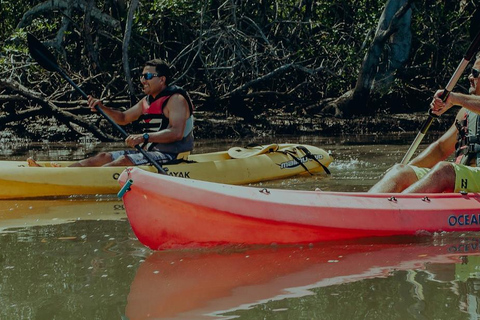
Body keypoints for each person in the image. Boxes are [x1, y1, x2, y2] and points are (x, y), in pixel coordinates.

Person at [28, 59, 194, 167]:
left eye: (148, 76)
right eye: (142, 76)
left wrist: (144, 137)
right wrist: (102, 108)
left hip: (172, 156)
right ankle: (64, 172)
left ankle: (72, 178)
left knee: (123, 161)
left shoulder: (176, 100)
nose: (143, 80)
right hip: (149, 153)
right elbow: (122, 118)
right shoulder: (147, 101)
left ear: (162, 79)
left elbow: (176, 133)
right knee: (103, 156)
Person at [369, 56, 480, 193]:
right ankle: (366, 208)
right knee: (401, 172)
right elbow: (440, 149)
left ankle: (396, 210)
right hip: (465, 179)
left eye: (475, 73)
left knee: (444, 170)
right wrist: (409, 168)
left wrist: (454, 98)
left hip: (462, 177)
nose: (470, 77)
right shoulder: (466, 113)